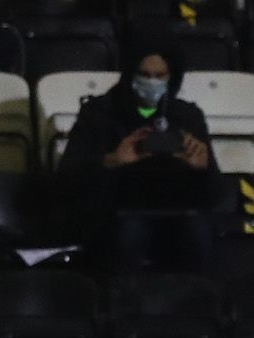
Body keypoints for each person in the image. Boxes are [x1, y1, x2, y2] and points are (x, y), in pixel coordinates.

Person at [57, 40, 219, 274]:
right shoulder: (100, 113)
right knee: (130, 231)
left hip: (176, 210)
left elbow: (216, 192)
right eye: (144, 74)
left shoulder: (187, 116)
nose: (152, 82)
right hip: (114, 211)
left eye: (159, 75)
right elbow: (67, 179)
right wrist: (112, 160)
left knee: (199, 231)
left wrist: (202, 167)